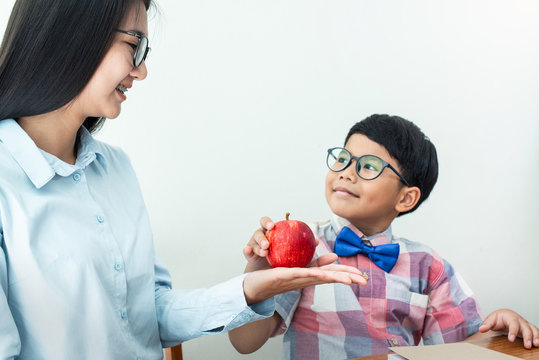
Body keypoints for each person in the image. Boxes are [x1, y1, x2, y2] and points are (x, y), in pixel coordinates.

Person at [0, 0, 367, 358]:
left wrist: (248, 290)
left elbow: (151, 312)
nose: (141, 71)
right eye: (134, 45)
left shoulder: (116, 169)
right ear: (71, 34)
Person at [228, 114, 539, 359]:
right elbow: (244, 342)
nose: (347, 172)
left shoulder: (429, 266)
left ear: (405, 198)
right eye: (343, 158)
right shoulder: (306, 250)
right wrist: (258, 271)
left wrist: (497, 329)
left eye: (368, 167)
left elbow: (456, 351)